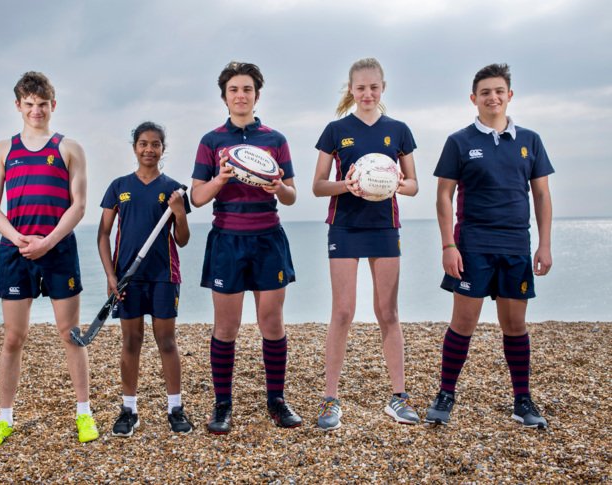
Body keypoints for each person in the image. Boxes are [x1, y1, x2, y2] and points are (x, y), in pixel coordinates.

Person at [425, 63, 553, 429]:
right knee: (463, 322)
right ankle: (446, 393)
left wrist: (544, 245)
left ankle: (522, 400)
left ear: (509, 95)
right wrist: (448, 244)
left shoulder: (530, 140)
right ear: (473, 99)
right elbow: (443, 197)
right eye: (485, 92)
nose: (492, 97)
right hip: (473, 245)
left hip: (516, 244)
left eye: (499, 91)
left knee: (515, 324)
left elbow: (542, 196)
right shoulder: (460, 141)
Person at [0, 71, 98, 447]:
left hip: (58, 248)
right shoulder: (3, 149)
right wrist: (16, 237)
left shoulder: (69, 148)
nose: (36, 110)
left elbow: (78, 206)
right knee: (14, 337)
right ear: (18, 106)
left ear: (53, 105)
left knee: (71, 334)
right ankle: (5, 420)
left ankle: (84, 413)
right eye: (29, 104)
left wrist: (47, 242)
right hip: (16, 250)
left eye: (42, 104)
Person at [191, 61, 302, 434]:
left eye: (247, 90)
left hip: (268, 238)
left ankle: (277, 400)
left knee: (271, 323)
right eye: (234, 90)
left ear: (257, 95)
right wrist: (221, 178)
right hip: (227, 240)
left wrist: (278, 188)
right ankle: (222, 405)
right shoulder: (211, 141)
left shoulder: (275, 139)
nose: (241, 96)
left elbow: (290, 197)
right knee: (227, 326)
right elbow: (197, 196)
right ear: (224, 96)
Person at [312, 58, 420, 430]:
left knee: (387, 312)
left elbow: (413, 184)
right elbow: (318, 185)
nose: (368, 94)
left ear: (383, 88)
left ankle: (399, 397)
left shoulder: (399, 130)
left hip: (385, 227)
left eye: (374, 87)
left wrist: (393, 182)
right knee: (342, 312)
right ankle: (330, 401)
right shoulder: (335, 130)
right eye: (361, 88)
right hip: (344, 226)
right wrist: (349, 184)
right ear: (351, 89)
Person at [97, 122, 193, 436]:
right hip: (128, 278)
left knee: (166, 341)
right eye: (143, 143)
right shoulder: (118, 186)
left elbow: (183, 240)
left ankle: (175, 408)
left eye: (155, 144)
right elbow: (103, 234)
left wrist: (178, 212)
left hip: (164, 276)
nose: (149, 149)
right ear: (135, 147)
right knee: (131, 341)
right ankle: (129, 410)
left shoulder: (174, 188)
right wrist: (111, 275)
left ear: (163, 149)